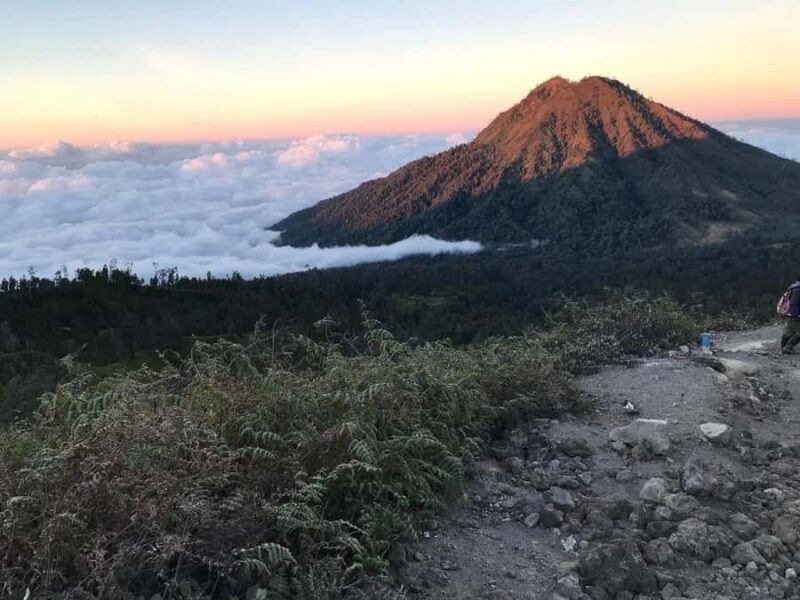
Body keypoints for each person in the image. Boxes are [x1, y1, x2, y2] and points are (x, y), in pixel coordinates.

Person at [780, 278, 800, 353]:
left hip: (787, 312)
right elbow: (793, 303)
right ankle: (788, 347)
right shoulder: (798, 290)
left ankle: (783, 346)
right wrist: (796, 315)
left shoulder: (793, 287)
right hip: (793, 314)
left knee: (788, 330)